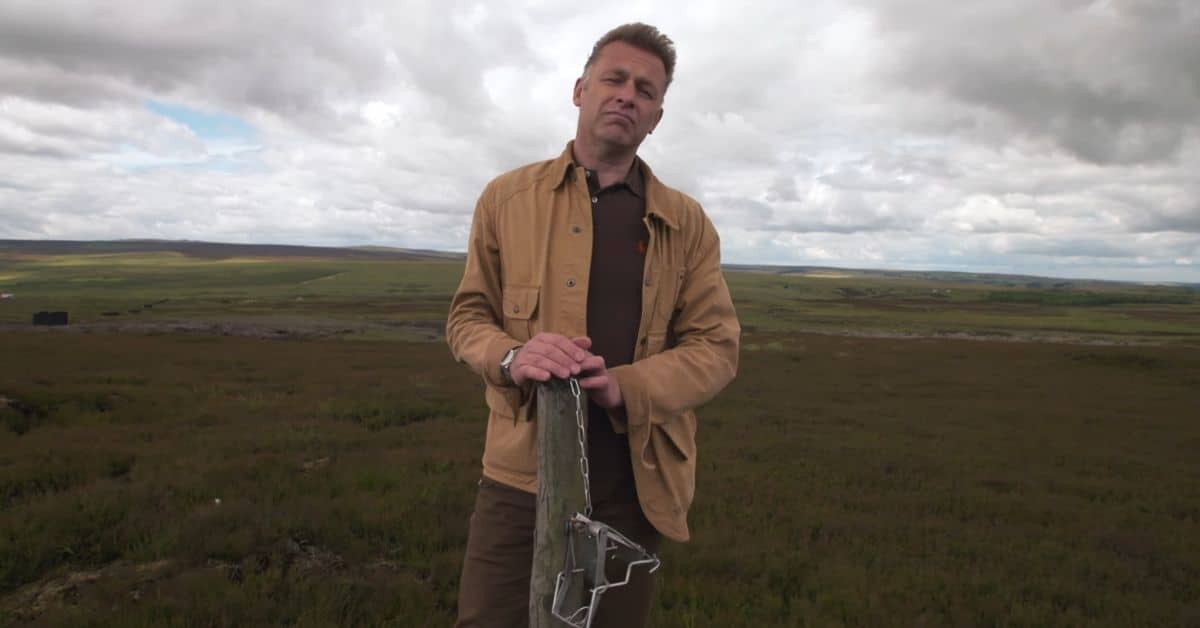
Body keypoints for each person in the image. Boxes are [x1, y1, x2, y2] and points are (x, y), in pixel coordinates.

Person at [446, 22, 739, 627]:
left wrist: (625, 387)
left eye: (646, 90)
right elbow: (468, 316)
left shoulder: (687, 224)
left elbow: (716, 347)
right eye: (614, 79)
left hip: (634, 489)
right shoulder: (505, 201)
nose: (628, 95)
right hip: (517, 482)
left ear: (656, 116)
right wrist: (512, 357)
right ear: (579, 90)